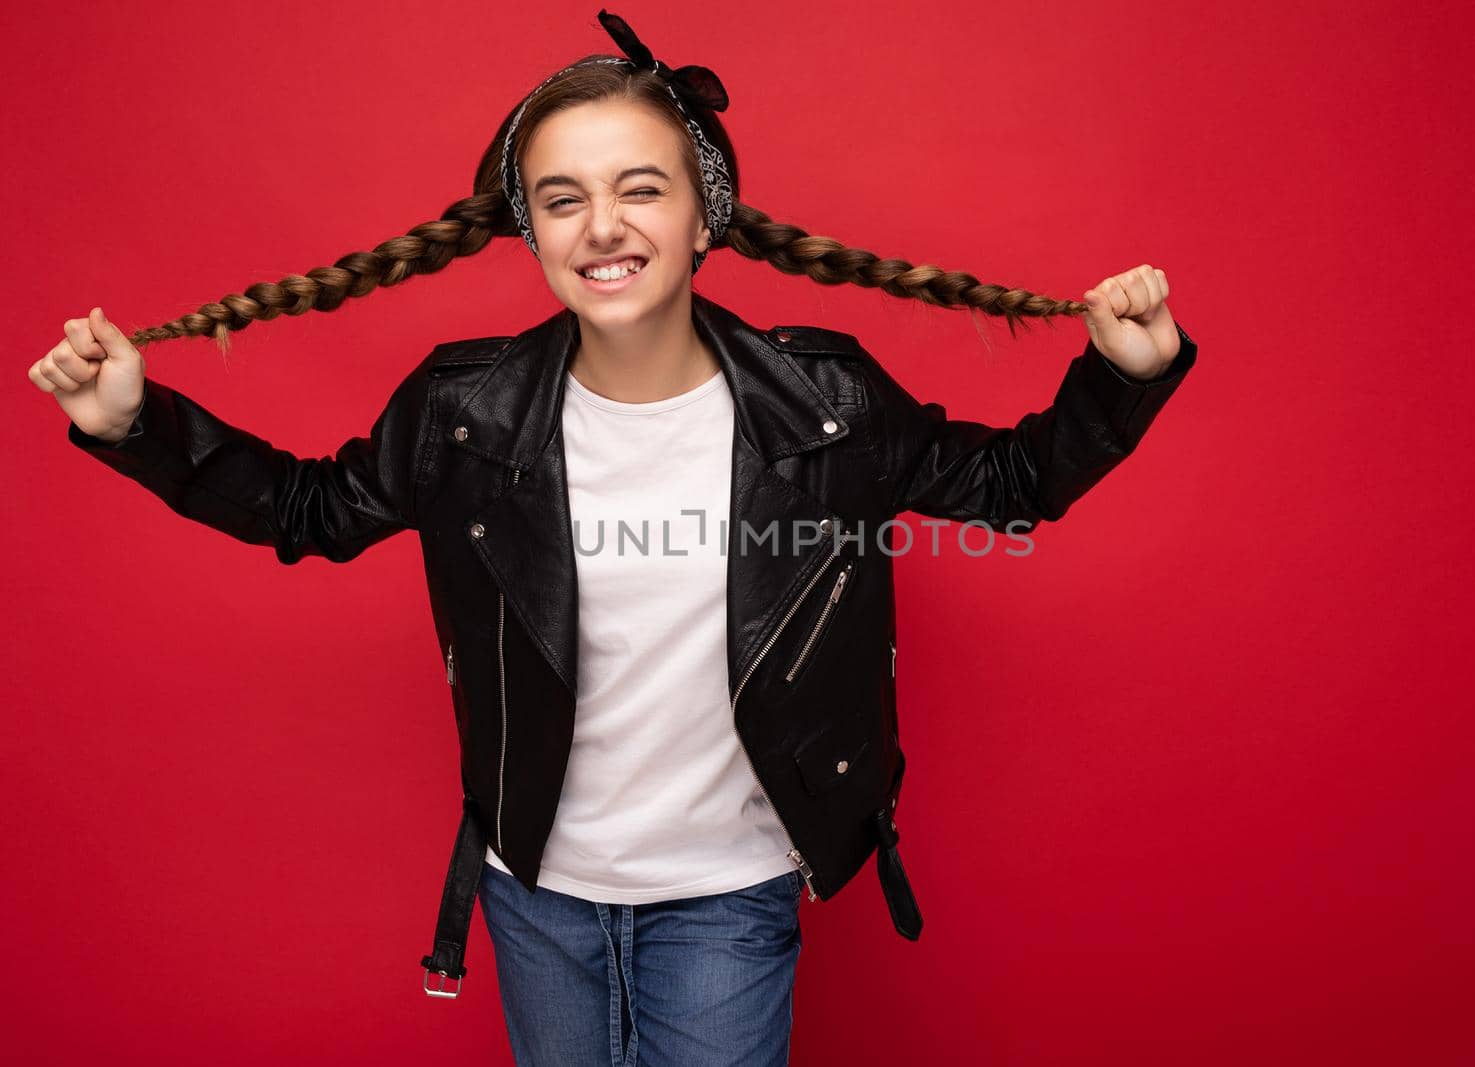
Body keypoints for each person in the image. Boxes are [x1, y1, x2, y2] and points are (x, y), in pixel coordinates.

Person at [27, 10, 1197, 1066]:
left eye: (640, 187)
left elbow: (1005, 484)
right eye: (561, 197)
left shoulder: (823, 401)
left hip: (726, 892)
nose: (602, 226)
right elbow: (306, 509)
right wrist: (135, 422)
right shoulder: (461, 412)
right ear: (529, 230)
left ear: (703, 216)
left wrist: (1119, 379)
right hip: (534, 892)